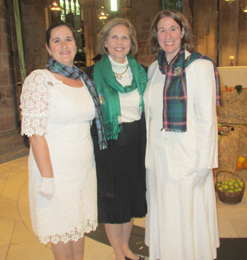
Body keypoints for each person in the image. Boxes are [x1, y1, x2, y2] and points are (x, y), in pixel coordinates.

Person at [20, 21, 107, 260]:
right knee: (61, 228)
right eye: (56, 41)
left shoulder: (82, 80)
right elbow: (35, 133)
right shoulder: (40, 79)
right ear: (48, 49)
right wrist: (47, 177)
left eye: (68, 39)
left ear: (75, 44)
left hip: (83, 169)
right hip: (55, 170)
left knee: (77, 225)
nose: (64, 45)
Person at [144, 10, 221, 260]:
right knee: (165, 213)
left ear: (183, 32)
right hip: (158, 157)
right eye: (162, 30)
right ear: (156, 35)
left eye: (173, 29)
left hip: (188, 156)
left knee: (188, 215)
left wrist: (204, 164)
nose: (168, 35)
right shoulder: (154, 68)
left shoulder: (200, 66)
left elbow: (208, 119)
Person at [85, 18, 147, 260]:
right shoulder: (91, 74)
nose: (119, 42)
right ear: (105, 43)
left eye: (124, 37)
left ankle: (126, 248)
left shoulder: (141, 71)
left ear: (131, 43)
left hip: (137, 142)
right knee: (113, 202)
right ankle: (116, 251)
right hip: (108, 145)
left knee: (131, 198)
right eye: (114, 37)